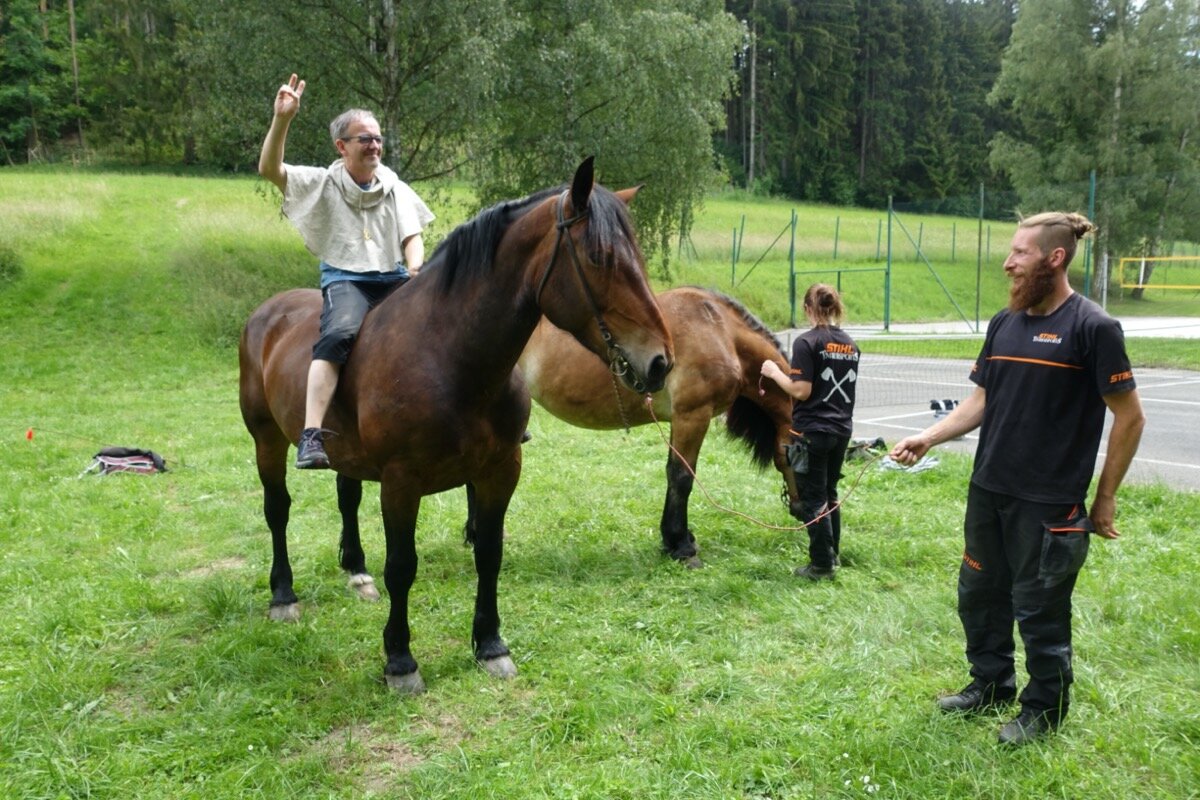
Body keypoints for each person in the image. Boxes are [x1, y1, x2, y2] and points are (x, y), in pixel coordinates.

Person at [890, 212, 1145, 746]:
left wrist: (1105, 498)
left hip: (1048, 503)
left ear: (1055, 259)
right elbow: (981, 400)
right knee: (979, 593)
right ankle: (990, 684)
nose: (1008, 263)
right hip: (989, 490)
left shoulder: (1093, 328)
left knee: (1039, 609)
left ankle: (1044, 710)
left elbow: (1130, 416)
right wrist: (929, 437)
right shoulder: (1004, 323)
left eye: (1020, 254)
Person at [258, 73, 435, 468]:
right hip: (346, 280)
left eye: (377, 138)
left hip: (394, 278)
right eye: (364, 139)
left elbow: (412, 233)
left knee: (445, 324)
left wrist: (416, 269)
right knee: (338, 334)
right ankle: (311, 434)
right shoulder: (323, 182)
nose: (374, 145)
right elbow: (270, 169)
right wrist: (282, 120)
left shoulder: (394, 185)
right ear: (342, 146)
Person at [761, 283, 860, 581]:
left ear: (807, 308)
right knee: (830, 493)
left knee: (812, 497)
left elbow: (801, 391)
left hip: (812, 431)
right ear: (834, 307)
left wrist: (774, 372)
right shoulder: (851, 344)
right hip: (842, 430)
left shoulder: (807, 343)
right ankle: (833, 555)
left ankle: (821, 565)